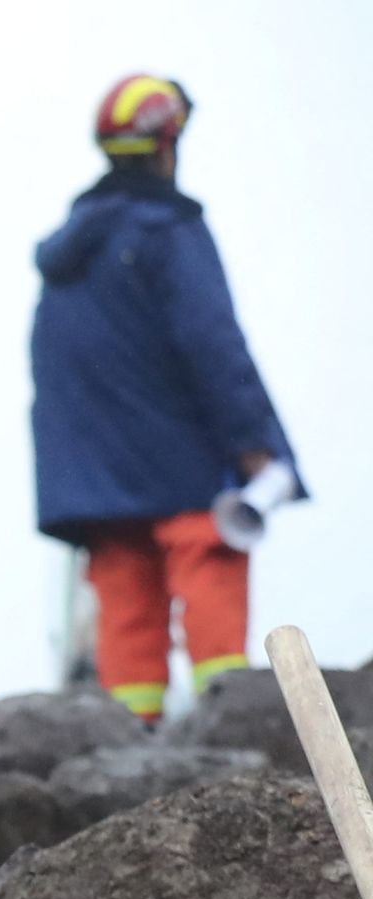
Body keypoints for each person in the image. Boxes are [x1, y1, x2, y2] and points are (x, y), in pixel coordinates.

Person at [32, 72, 300, 724]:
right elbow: (214, 345)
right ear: (167, 143)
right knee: (208, 559)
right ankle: (228, 725)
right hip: (183, 465)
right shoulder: (166, 231)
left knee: (125, 597)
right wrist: (256, 446)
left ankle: (129, 754)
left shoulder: (68, 260)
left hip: (99, 484)